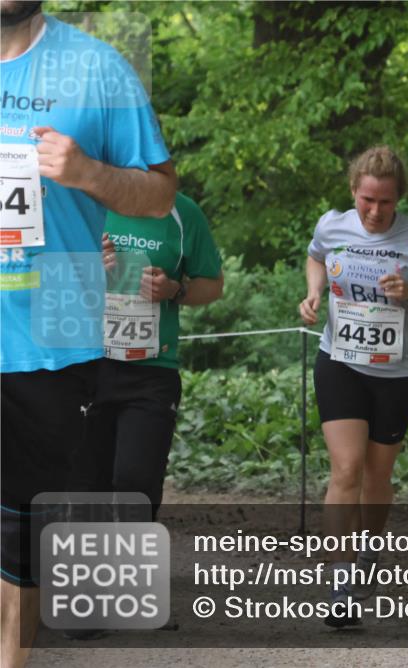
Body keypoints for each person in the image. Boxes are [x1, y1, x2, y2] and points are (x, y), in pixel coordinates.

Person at [0, 2, 176, 666]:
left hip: (55, 332)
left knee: (19, 543)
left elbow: (160, 196)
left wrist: (87, 174)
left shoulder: (96, 68)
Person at [298, 146, 408, 628]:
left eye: (385, 202)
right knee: (346, 468)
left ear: (399, 198)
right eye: (366, 200)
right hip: (340, 361)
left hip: (396, 373)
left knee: (377, 478)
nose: (375, 211)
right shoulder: (331, 225)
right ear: (353, 192)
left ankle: (368, 558)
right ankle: (339, 584)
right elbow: (315, 257)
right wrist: (314, 290)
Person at [69, 193, 223, 521]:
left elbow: (213, 285)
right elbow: (44, 272)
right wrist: (87, 266)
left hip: (152, 371)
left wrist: (174, 291)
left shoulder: (183, 212)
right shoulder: (83, 201)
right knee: (88, 483)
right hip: (88, 364)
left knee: (136, 479)